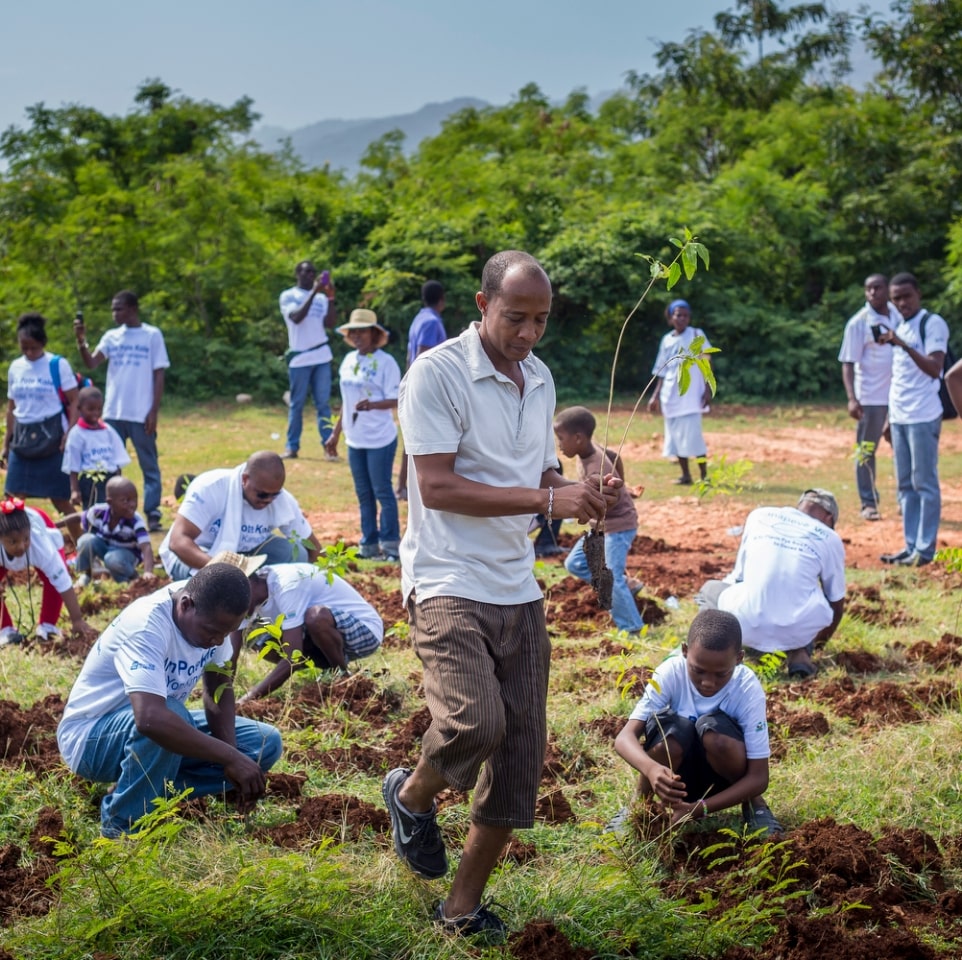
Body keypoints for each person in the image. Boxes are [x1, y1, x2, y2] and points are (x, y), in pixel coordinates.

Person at [383, 250, 617, 940]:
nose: (528, 334)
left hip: (518, 586)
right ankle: (412, 793)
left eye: (541, 320)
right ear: (482, 304)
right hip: (448, 576)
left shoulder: (538, 378)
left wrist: (583, 490)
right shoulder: (436, 375)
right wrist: (550, 496)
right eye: (516, 317)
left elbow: (534, 468)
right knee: (474, 723)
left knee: (518, 762)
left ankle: (460, 910)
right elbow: (439, 486)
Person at [56, 561, 283, 838]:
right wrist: (230, 756)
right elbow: (149, 719)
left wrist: (232, 759)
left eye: (226, 633)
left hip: (152, 726)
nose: (217, 641)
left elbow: (218, 686)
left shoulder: (213, 616)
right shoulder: (147, 625)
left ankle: (137, 790)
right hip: (90, 739)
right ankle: (121, 829)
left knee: (265, 743)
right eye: (212, 631)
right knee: (169, 716)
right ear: (186, 605)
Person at [613, 609, 781, 835]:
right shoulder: (670, 673)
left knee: (715, 735)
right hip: (673, 782)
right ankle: (639, 802)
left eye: (721, 674)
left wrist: (697, 810)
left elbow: (759, 776)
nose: (708, 682)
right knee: (669, 736)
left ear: (739, 659)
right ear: (684, 651)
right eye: (698, 670)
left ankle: (754, 804)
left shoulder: (747, 688)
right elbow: (624, 738)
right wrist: (652, 770)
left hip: (722, 780)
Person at [696, 489, 846, 681]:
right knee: (814, 598)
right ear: (829, 518)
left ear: (800, 506)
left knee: (710, 589)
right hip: (797, 629)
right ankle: (800, 653)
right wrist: (816, 646)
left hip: (744, 624)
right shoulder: (829, 537)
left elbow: (740, 576)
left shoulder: (759, 515)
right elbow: (836, 604)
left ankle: (711, 648)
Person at [74, 291, 170, 532]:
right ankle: (112, 511)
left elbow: (159, 373)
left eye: (119, 309)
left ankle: (152, 512)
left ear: (133, 309)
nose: (114, 314)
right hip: (113, 412)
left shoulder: (151, 335)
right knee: (110, 464)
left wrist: (154, 411)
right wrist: (81, 341)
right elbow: (92, 363)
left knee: (149, 464)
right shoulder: (112, 336)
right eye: (113, 309)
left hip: (141, 413)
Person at [230, 560, 383, 701]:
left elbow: (293, 658)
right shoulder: (250, 597)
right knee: (263, 642)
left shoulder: (286, 585)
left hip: (365, 631)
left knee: (315, 618)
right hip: (329, 635)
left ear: (247, 585)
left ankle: (342, 678)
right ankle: (329, 671)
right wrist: (222, 693)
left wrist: (248, 699)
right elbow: (230, 656)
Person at [159, 451, 322, 580]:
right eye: (262, 495)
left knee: (297, 553)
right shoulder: (211, 487)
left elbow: (313, 547)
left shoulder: (281, 499)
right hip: (200, 553)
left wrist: (324, 581)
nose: (268, 501)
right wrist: (222, 572)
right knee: (213, 589)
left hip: (243, 556)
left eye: (274, 495)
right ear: (245, 479)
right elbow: (178, 542)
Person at [554, 405, 643, 635]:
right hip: (602, 527)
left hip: (618, 526)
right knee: (575, 564)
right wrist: (626, 486)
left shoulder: (596, 466)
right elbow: (616, 456)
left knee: (609, 578)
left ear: (578, 438)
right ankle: (624, 587)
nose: (559, 445)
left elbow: (598, 504)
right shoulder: (590, 451)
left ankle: (632, 627)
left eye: (561, 439)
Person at [878, 273, 948, 566]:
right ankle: (910, 546)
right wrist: (888, 419)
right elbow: (900, 378)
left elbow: (935, 368)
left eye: (906, 296)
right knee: (905, 484)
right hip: (901, 416)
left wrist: (902, 344)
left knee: (924, 483)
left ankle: (924, 549)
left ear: (918, 293)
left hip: (923, 414)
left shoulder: (931, 323)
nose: (902, 302)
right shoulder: (901, 326)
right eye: (897, 298)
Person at [324, 310, 401, 560]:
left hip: (380, 437)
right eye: (353, 331)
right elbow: (347, 403)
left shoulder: (387, 362)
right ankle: (368, 545)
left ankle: (390, 546)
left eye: (362, 331)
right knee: (363, 493)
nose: (357, 336)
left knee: (382, 491)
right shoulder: (348, 361)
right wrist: (335, 433)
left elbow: (396, 398)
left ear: (374, 333)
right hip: (354, 439)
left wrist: (373, 404)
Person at [1, 313, 81, 544]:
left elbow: (74, 401)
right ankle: (12, 550)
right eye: (23, 347)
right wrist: (6, 444)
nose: (28, 353)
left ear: (42, 343)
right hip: (22, 441)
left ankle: (84, 552)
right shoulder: (16, 367)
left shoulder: (57, 365)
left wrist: (69, 434)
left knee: (61, 498)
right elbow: (11, 407)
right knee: (13, 500)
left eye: (33, 348)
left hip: (53, 441)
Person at [838, 274, 899, 521]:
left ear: (887, 289)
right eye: (868, 289)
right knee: (866, 451)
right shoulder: (858, 323)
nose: (873, 292)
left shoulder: (899, 314)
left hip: (900, 396)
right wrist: (852, 398)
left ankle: (906, 501)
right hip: (871, 398)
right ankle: (868, 502)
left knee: (902, 449)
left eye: (877, 287)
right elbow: (848, 362)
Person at [0, 496, 93, 645]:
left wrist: (77, 620)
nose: (21, 546)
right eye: (13, 542)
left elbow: (63, 583)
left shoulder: (41, 546)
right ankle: (4, 630)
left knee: (52, 581)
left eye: (25, 539)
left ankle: (48, 625)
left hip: (42, 525)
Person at [648, 300, 713, 485]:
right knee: (675, 437)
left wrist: (707, 388)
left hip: (691, 396)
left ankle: (704, 476)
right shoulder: (667, 339)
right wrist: (655, 396)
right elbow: (660, 369)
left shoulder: (697, 335)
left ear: (689, 317)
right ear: (670, 317)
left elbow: (707, 360)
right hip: (670, 396)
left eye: (685, 315)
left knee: (694, 438)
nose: (682, 318)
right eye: (678, 314)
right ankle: (686, 475)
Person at [278, 260, 338, 461]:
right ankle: (292, 447)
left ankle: (328, 447)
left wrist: (330, 298)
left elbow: (330, 323)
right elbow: (296, 318)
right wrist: (313, 292)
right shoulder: (288, 296)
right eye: (306, 272)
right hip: (300, 359)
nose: (310, 275)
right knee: (297, 405)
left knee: (323, 404)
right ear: (297, 274)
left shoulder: (321, 299)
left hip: (321, 357)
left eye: (313, 272)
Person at [397, 280, 448, 500]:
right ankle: (404, 486)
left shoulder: (420, 318)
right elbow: (423, 355)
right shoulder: (431, 322)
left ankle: (404, 485)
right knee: (418, 439)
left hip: (416, 383)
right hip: (425, 387)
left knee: (413, 438)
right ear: (441, 300)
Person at [72, 476, 156, 587]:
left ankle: (130, 579)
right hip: (106, 549)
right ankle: (86, 574)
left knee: (112, 559)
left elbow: (146, 547)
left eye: (134, 499)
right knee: (85, 540)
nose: (132, 504)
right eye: (125, 501)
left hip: (126, 556)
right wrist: (55, 525)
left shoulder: (135, 521)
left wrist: (148, 572)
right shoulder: (99, 512)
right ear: (110, 502)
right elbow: (79, 516)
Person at [62, 386, 131, 510]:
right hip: (89, 481)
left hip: (110, 479)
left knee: (113, 511)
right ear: (79, 409)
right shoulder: (77, 434)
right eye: (91, 409)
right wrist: (75, 490)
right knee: (94, 513)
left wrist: (119, 482)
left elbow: (118, 460)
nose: (95, 413)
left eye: (99, 409)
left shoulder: (108, 431)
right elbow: (73, 465)